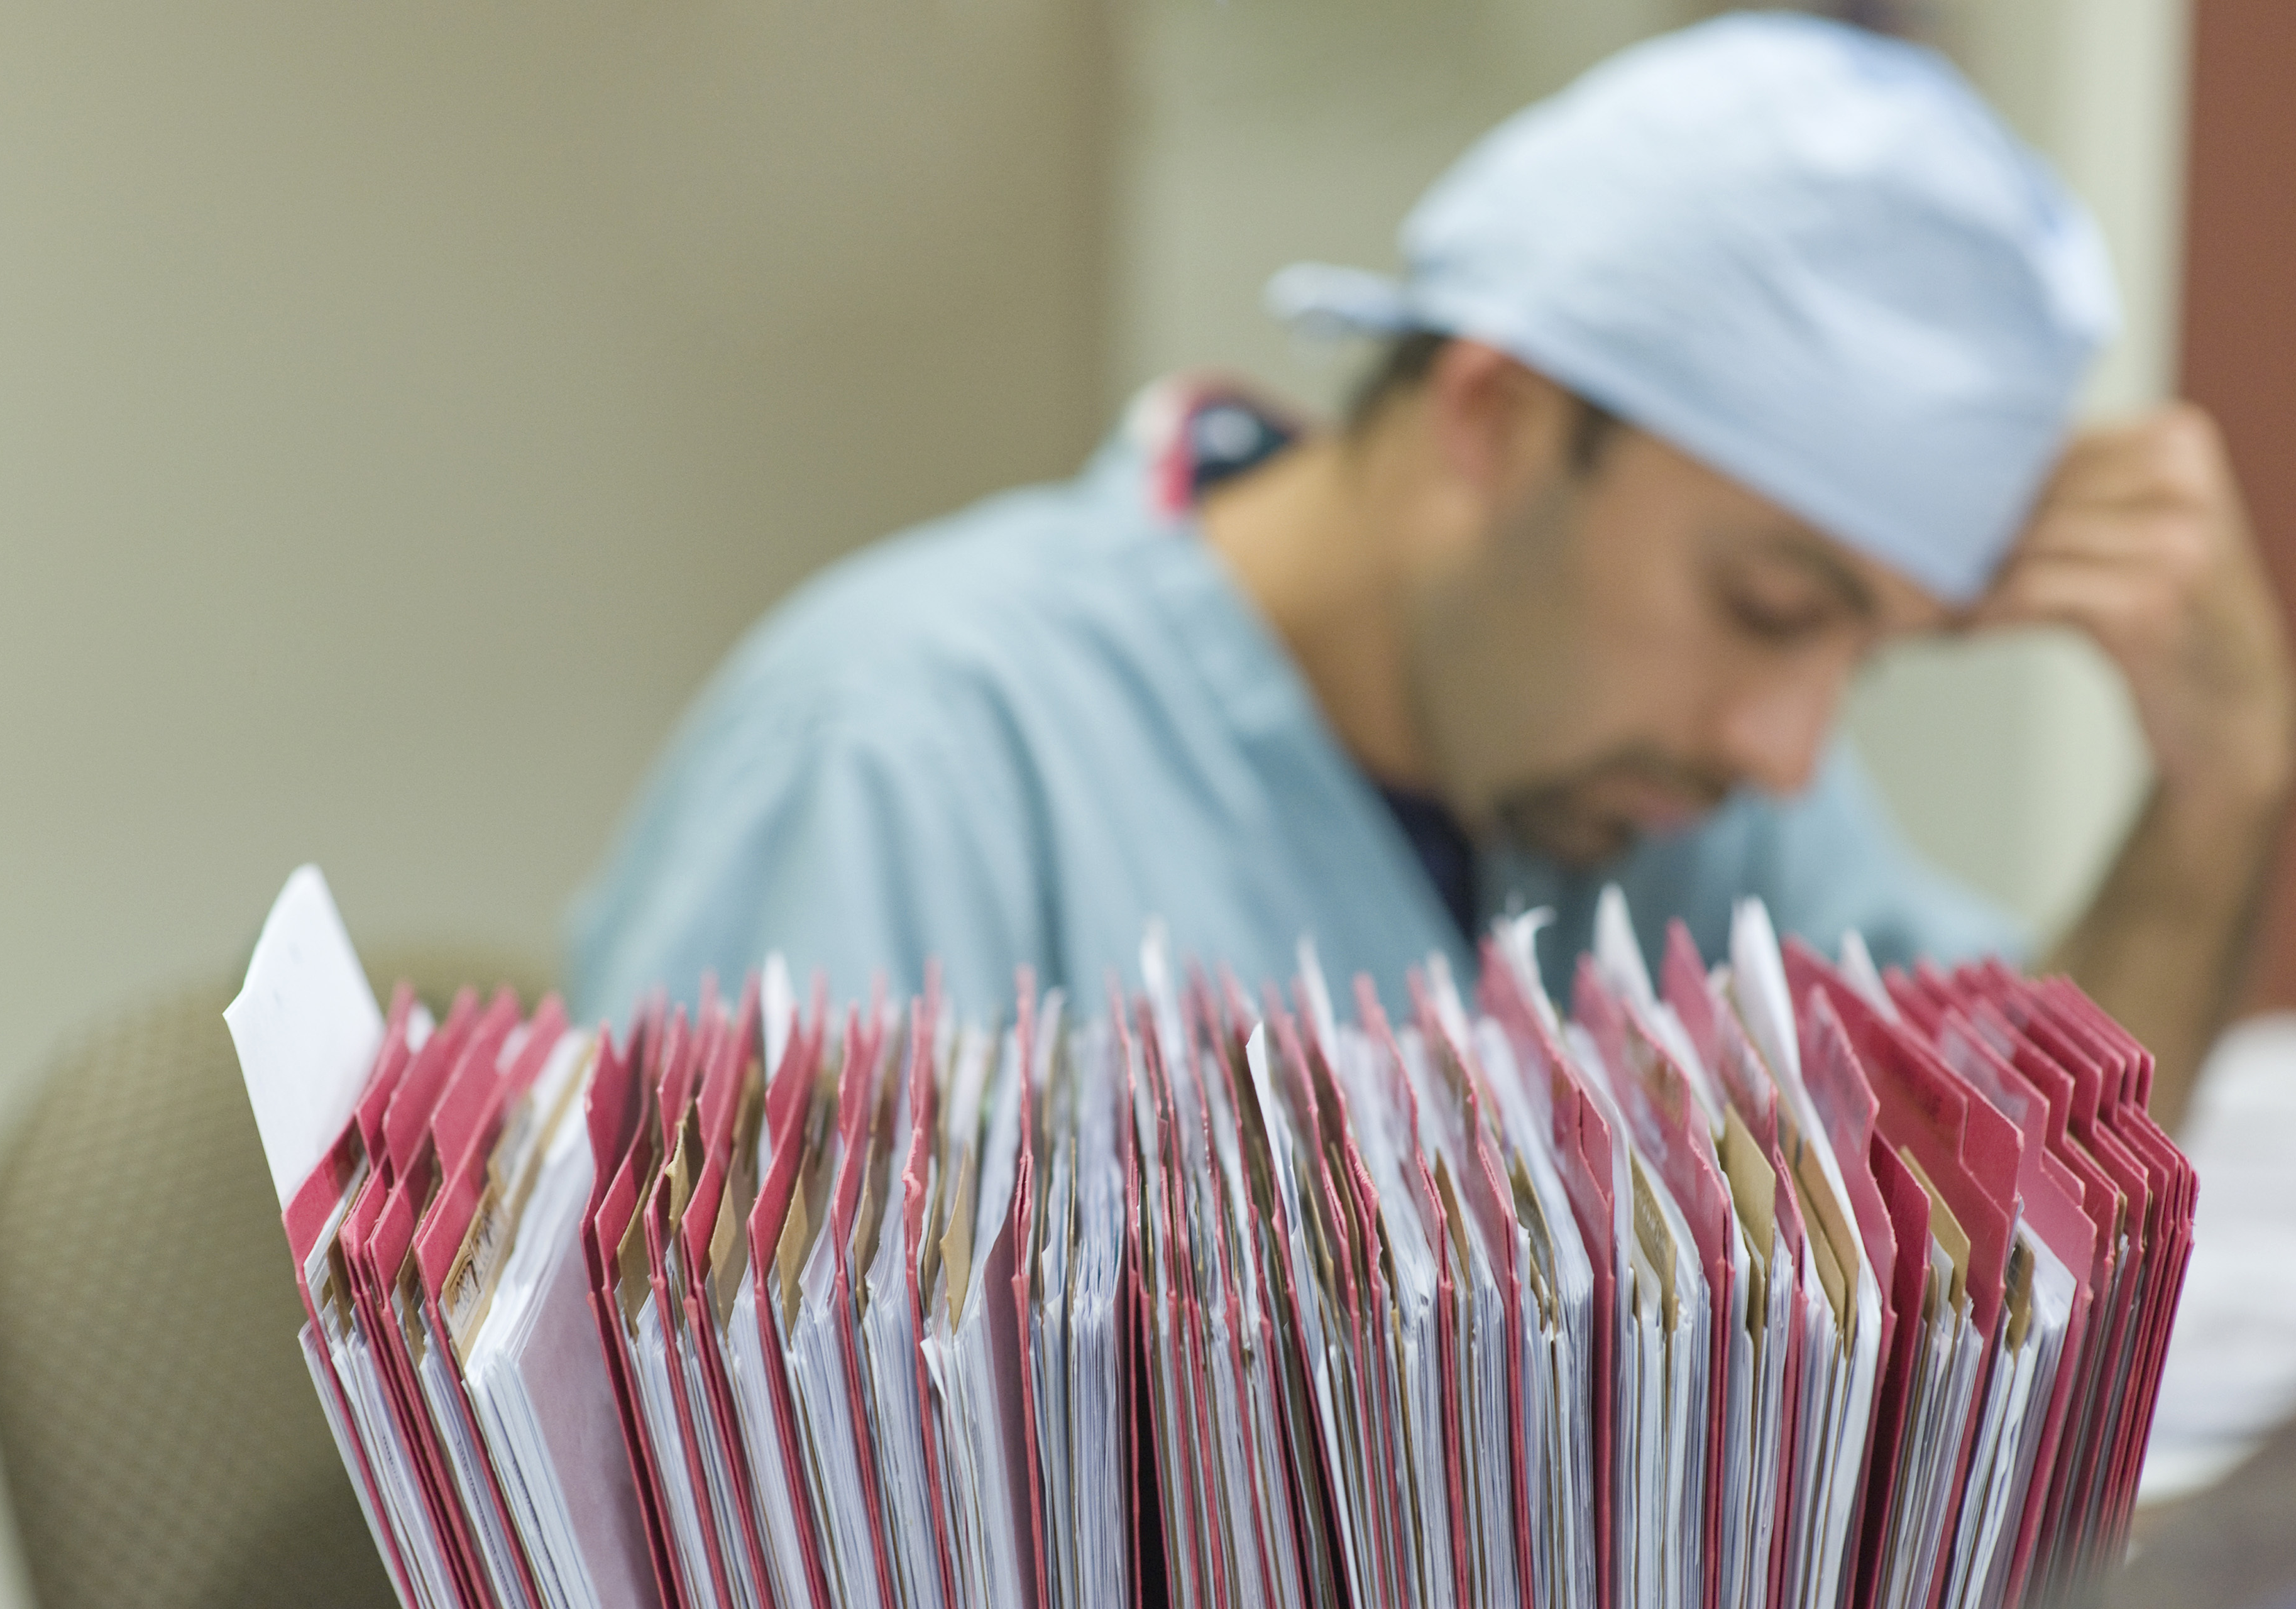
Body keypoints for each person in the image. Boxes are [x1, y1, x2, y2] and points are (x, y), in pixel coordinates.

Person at [568, 13, 2290, 1133]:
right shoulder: (916, 757)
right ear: (1495, 414)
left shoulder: (1674, 805)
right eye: (1770, 606)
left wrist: (2222, 793)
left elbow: (2008, 1225)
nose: (1787, 744)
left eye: (1865, 652)